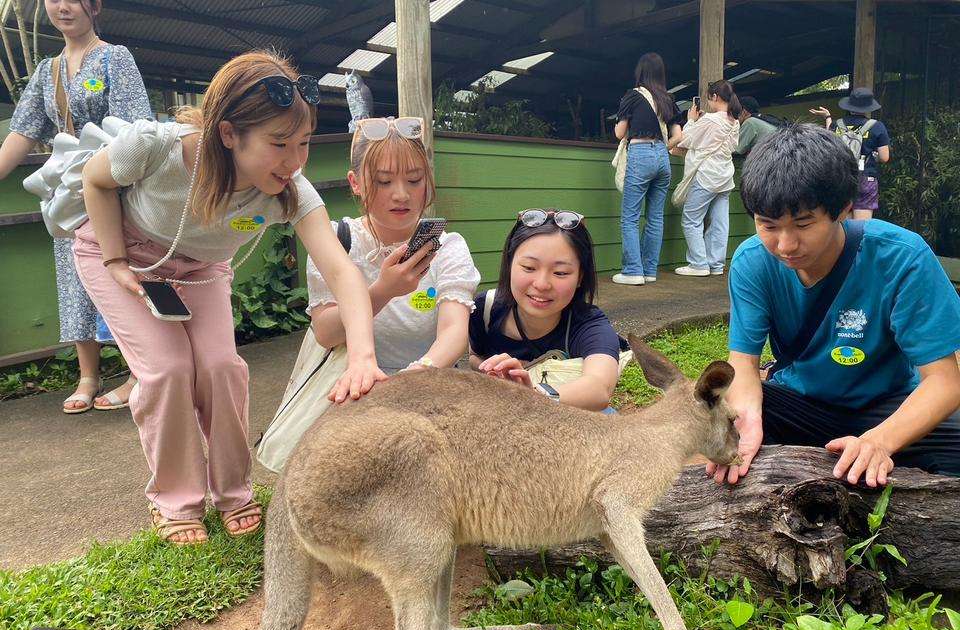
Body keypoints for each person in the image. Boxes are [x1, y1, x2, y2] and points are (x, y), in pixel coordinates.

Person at [70, 51, 385, 545]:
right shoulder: (156, 147)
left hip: (200, 271)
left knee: (221, 367)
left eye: (302, 143)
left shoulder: (289, 190)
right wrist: (114, 262)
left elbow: (342, 271)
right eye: (279, 143)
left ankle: (234, 493)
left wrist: (362, 357)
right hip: (124, 255)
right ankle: (176, 501)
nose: (295, 160)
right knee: (168, 369)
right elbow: (95, 180)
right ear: (229, 133)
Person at [711, 123, 960, 489]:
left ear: (843, 209)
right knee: (730, 418)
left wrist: (879, 442)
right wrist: (747, 417)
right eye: (767, 225)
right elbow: (744, 364)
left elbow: (945, 381)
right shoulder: (751, 262)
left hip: (888, 404)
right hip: (802, 403)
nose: (784, 245)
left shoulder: (902, 258)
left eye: (803, 223)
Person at [0, 0, 149, 413]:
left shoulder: (114, 58)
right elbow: (23, 131)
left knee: (123, 274)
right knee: (75, 279)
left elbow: (136, 125)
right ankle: (89, 374)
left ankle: (141, 372)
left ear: (95, 6)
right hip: (66, 194)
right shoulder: (47, 71)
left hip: (111, 187)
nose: (63, 7)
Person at [307, 116, 480, 374]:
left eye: (414, 180)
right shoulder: (337, 241)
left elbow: (454, 333)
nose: (401, 195)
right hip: (352, 390)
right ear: (355, 183)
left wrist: (410, 378)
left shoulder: (448, 247)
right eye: (383, 181)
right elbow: (326, 333)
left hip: (427, 382)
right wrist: (383, 290)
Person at [468, 209, 626, 411]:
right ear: (509, 265)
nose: (542, 284)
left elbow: (599, 387)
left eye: (560, 272)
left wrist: (533, 394)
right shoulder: (485, 308)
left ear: (580, 277)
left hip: (563, 417)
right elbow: (475, 356)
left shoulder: (588, 323)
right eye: (528, 267)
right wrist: (493, 372)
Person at [611, 53, 683, 286]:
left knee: (630, 218)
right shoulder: (668, 99)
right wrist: (660, 149)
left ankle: (632, 271)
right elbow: (678, 136)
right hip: (662, 158)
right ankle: (649, 270)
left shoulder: (633, 96)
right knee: (655, 218)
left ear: (640, 72)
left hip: (640, 154)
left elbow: (620, 133)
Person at [673, 80, 741, 277]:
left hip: (706, 175)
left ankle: (698, 264)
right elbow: (733, 147)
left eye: (709, 97)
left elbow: (686, 139)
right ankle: (716, 264)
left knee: (691, 219)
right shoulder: (734, 121)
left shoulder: (711, 120)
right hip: (725, 176)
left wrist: (692, 119)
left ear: (715, 97)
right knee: (720, 222)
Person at [809, 87, 891, 220]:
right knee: (860, 227)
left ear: (850, 106)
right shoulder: (877, 126)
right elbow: (884, 157)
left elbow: (830, 139)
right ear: (868, 107)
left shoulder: (837, 124)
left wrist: (828, 117)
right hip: (865, 178)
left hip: (842, 177)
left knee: (844, 225)